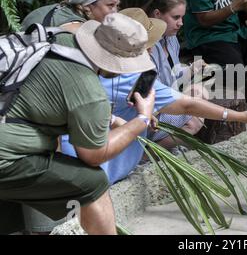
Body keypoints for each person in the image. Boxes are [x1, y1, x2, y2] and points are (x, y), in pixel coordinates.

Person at [61, 8, 247, 187]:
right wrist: (239, 116)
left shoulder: (76, 69)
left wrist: (125, 118)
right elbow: (187, 105)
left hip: (69, 163)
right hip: (98, 171)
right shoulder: (136, 77)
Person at [0, 13, 157, 235]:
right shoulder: (90, 92)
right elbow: (94, 155)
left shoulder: (58, 39)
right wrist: (141, 119)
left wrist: (110, 120)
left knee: (10, 219)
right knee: (92, 182)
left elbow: (49, 95)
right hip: (6, 158)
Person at [142, 0, 206, 150]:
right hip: (151, 112)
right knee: (195, 116)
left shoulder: (171, 39)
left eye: (182, 17)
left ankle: (161, 147)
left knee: (199, 93)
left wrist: (192, 69)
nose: (181, 23)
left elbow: (173, 76)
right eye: (175, 17)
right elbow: (152, 91)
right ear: (157, 14)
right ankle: (146, 155)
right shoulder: (146, 45)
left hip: (166, 101)